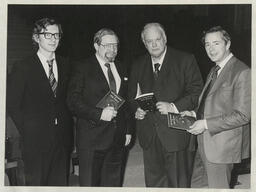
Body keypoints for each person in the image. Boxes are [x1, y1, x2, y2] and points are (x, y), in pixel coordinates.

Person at [128, 22, 203, 187]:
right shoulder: (138, 64)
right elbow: (132, 96)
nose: (154, 44)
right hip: (149, 135)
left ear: (165, 38)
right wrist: (137, 109)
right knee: (154, 184)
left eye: (157, 39)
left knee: (178, 184)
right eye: (149, 41)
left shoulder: (185, 59)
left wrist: (173, 107)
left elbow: (197, 92)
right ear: (144, 43)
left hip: (176, 133)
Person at [181, 26, 251, 188]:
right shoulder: (214, 69)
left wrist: (205, 124)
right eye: (207, 44)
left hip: (222, 148)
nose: (211, 49)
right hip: (204, 142)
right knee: (198, 185)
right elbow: (211, 103)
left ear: (227, 44)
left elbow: (243, 115)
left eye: (216, 43)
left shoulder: (242, 72)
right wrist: (193, 113)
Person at [6, 18, 74, 186]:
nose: (53, 39)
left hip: (62, 139)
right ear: (36, 38)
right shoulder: (23, 67)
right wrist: (30, 129)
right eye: (47, 34)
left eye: (56, 35)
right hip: (35, 142)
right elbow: (13, 104)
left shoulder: (67, 65)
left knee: (60, 185)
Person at [67, 28, 132, 187]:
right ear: (96, 46)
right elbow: (72, 101)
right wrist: (98, 114)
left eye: (115, 45)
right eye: (108, 45)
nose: (113, 49)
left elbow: (127, 101)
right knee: (90, 184)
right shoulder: (82, 67)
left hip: (117, 137)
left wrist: (128, 130)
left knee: (113, 184)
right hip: (92, 139)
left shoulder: (122, 67)